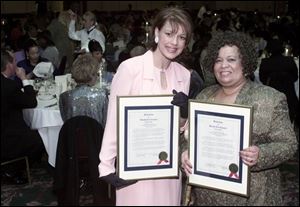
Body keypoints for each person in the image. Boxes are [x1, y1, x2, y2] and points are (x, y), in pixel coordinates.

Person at [174, 31, 298, 205]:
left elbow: (288, 144)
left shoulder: (269, 99)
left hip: (253, 197)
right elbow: (187, 139)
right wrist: (185, 153)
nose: (223, 65)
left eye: (231, 59)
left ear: (245, 64)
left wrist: (260, 155)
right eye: (218, 60)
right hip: (207, 196)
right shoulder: (204, 96)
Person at [98, 7, 193, 206]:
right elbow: (114, 118)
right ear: (156, 33)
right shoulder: (130, 69)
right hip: (136, 167)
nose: (174, 43)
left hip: (167, 166)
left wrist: (184, 114)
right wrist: (106, 166)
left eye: (182, 37)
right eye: (169, 34)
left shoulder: (184, 74)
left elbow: (180, 128)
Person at [1, 49, 45, 184]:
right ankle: (12, 170)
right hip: (7, 137)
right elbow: (31, 102)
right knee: (41, 139)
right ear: (9, 65)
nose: (16, 63)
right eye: (14, 60)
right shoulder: (9, 86)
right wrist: (24, 79)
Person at [59, 53, 108, 128]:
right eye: (96, 74)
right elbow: (105, 123)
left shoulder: (64, 96)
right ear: (92, 75)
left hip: (72, 137)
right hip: (97, 137)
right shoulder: (102, 95)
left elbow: (66, 121)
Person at [259, 39, 299, 125]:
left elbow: (262, 80)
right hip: (289, 99)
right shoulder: (289, 61)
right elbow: (295, 78)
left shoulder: (265, 63)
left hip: (271, 99)